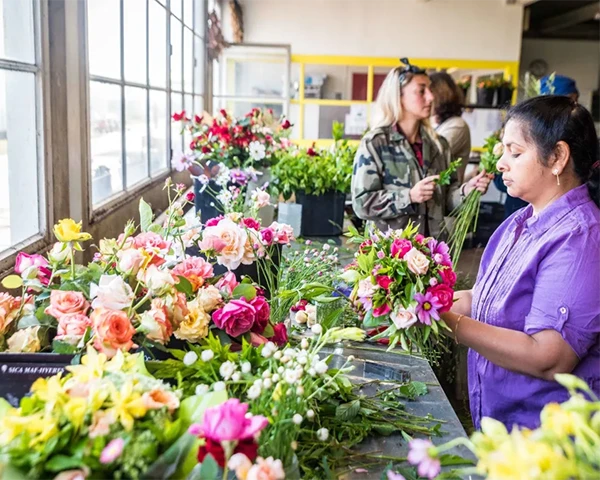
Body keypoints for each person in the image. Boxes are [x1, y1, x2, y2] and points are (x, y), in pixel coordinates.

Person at [441, 95, 600, 430]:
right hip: (503, 423)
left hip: (545, 438)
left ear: (557, 157)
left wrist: (450, 323)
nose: (501, 163)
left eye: (514, 152)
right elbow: (485, 299)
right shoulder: (521, 221)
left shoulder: (579, 239)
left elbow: (549, 358)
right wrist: (425, 303)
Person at [351, 59, 491, 238]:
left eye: (430, 89)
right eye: (421, 91)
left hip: (432, 256)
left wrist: (467, 191)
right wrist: (408, 196)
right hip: (390, 259)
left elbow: (447, 200)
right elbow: (362, 204)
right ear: (398, 97)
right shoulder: (375, 144)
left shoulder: (438, 145)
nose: (431, 97)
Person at [430, 72, 472, 183]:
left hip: (447, 197)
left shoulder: (457, 125)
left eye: (428, 92)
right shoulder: (435, 123)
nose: (426, 98)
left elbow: (431, 156)